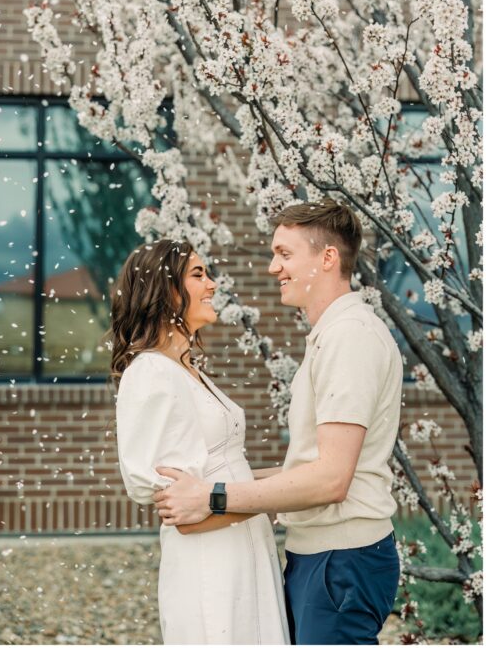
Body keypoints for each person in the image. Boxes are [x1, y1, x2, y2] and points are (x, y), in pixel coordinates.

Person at [154, 199, 403, 644]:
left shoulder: (351, 338)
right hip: (323, 557)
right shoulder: (331, 334)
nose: (273, 268)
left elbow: (330, 480)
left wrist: (213, 498)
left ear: (328, 258)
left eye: (285, 254)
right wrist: (206, 483)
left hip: (340, 560)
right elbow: (308, 468)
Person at [112, 239, 290, 644]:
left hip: (246, 546)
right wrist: (276, 497)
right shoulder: (152, 373)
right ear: (167, 289)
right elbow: (184, 512)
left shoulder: (188, 370)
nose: (212, 285)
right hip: (213, 562)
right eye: (198, 275)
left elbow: (222, 470)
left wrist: (294, 475)